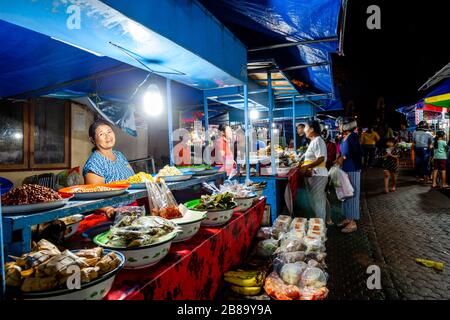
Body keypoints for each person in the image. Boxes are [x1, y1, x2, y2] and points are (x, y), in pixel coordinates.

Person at [83, 120, 135, 217]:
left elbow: (134, 179)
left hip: (133, 209)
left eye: (109, 131)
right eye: (101, 134)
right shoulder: (95, 163)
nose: (107, 137)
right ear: (92, 140)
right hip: (112, 216)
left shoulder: (119, 155)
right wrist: (110, 210)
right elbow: (94, 198)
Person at [335, 117, 363, 234]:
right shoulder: (343, 138)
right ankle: (347, 217)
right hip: (345, 169)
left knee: (352, 194)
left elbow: (358, 153)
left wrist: (344, 158)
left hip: (353, 169)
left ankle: (353, 223)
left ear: (347, 125)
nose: (339, 126)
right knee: (345, 194)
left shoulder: (353, 137)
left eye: (341, 124)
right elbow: (342, 153)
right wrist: (338, 158)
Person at [300, 120, 328, 222]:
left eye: (306, 127)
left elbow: (321, 158)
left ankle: (320, 227)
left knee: (318, 202)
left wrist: (306, 167)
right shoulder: (314, 141)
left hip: (318, 174)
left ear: (311, 129)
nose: (304, 130)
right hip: (314, 174)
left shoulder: (318, 140)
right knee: (316, 201)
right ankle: (318, 225)